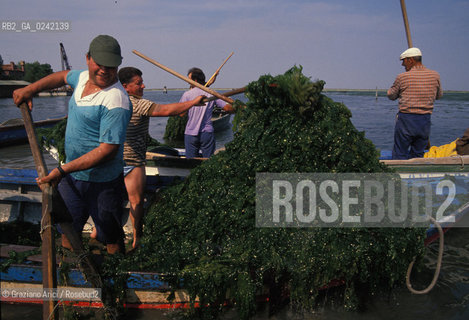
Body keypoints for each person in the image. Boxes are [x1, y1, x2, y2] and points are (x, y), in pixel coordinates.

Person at [13, 35, 132, 254]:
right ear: (88, 58)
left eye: (111, 66)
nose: (105, 71)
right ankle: (71, 271)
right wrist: (31, 89)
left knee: (111, 235)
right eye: (100, 64)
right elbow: (61, 76)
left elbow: (107, 150)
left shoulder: (116, 100)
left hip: (103, 182)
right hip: (72, 176)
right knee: (67, 228)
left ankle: (116, 276)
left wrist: (61, 170)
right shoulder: (82, 78)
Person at [113, 67, 204, 248]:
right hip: (125, 161)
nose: (143, 86)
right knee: (133, 201)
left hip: (120, 160)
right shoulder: (137, 104)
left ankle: (132, 237)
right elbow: (167, 110)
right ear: (126, 86)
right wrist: (193, 102)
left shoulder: (113, 101)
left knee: (126, 200)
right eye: (138, 83)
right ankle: (131, 236)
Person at [387, 47, 443, 160]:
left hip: (406, 120)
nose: (403, 65)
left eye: (404, 61)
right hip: (425, 120)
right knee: (418, 153)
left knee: (400, 152)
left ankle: (398, 174)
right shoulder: (435, 75)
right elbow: (439, 95)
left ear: (411, 60)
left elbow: (391, 95)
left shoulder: (402, 77)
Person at [181, 67, 234, 158]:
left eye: (189, 80)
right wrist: (233, 103)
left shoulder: (187, 95)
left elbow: (181, 114)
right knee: (208, 161)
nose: (188, 81)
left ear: (195, 80)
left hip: (190, 133)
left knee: (190, 162)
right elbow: (228, 108)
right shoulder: (211, 94)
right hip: (207, 133)